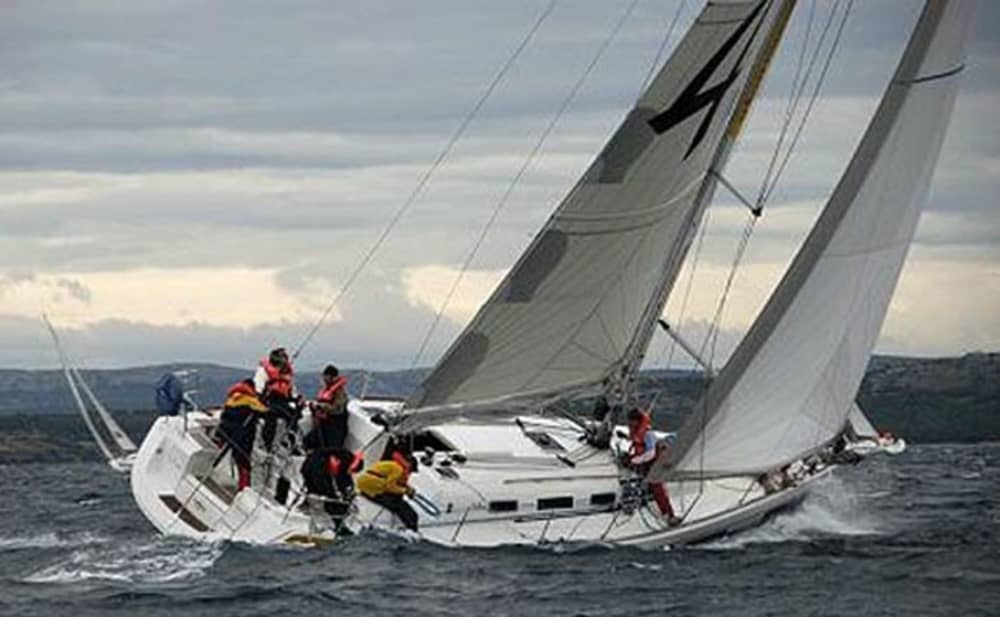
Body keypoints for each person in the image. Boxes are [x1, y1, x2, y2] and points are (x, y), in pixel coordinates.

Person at [626, 407, 681, 526]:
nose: (630, 423)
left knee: (657, 487)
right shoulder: (635, 431)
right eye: (630, 421)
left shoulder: (648, 434)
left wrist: (636, 460)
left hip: (654, 462)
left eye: (632, 421)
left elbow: (651, 453)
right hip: (643, 461)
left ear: (638, 421)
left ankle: (670, 515)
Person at [214, 379, 268, 490]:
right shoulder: (250, 400)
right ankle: (244, 487)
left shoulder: (231, 399)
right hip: (242, 436)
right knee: (243, 462)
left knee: (220, 458)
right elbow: (265, 411)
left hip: (225, 433)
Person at [355, 440, 419, 532]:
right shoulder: (398, 469)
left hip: (366, 485)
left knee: (396, 499)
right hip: (372, 488)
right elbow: (389, 486)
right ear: (409, 465)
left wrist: (407, 488)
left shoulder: (394, 465)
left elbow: (394, 482)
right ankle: (411, 528)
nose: (410, 473)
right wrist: (404, 491)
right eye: (411, 470)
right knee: (400, 506)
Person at [300, 447, 363, 532]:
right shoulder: (343, 462)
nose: (350, 472)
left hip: (314, 466)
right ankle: (320, 521)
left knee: (324, 494)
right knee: (320, 493)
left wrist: (346, 491)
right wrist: (336, 494)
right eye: (352, 471)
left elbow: (343, 478)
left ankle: (331, 521)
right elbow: (340, 479)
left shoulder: (346, 459)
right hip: (314, 470)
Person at [253, 347, 300, 451]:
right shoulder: (263, 371)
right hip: (268, 401)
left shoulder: (287, 374)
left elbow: (292, 391)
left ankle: (290, 442)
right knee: (271, 416)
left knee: (294, 415)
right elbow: (258, 389)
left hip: (282, 402)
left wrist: (298, 399)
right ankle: (267, 444)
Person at [305, 365, 349, 451]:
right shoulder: (327, 389)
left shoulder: (339, 392)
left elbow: (338, 409)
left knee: (331, 448)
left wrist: (322, 406)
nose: (324, 379)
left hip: (335, 426)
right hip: (324, 424)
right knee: (308, 441)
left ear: (333, 377)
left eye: (326, 376)